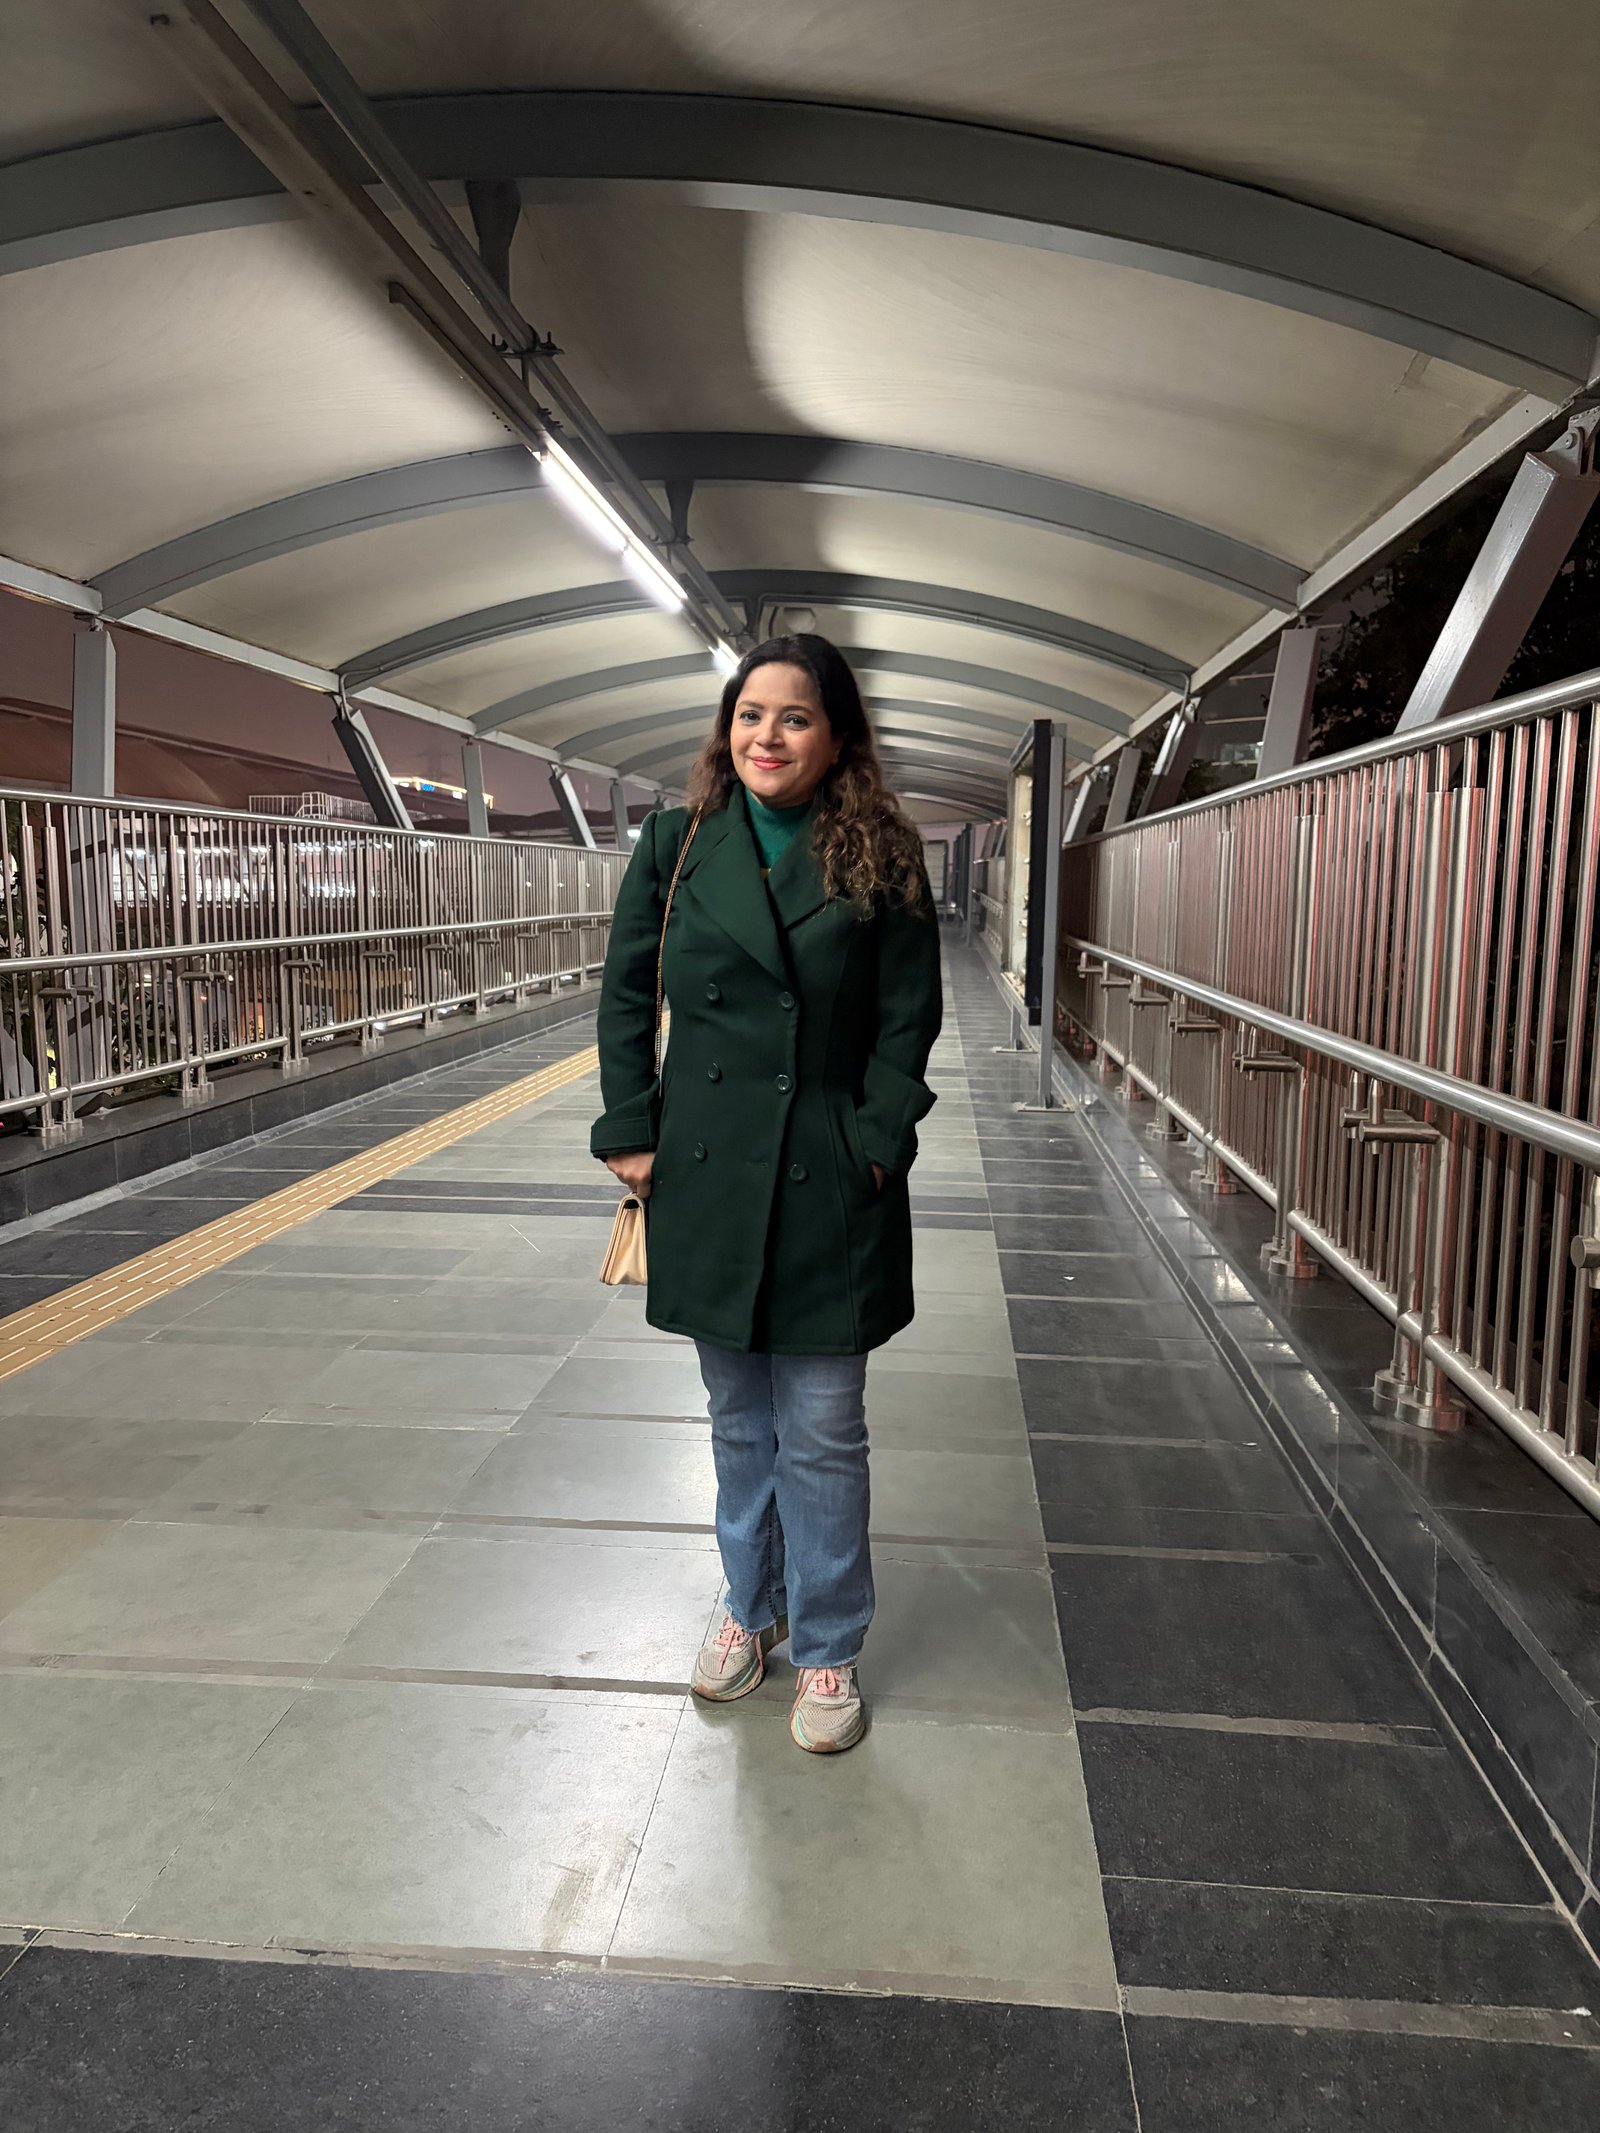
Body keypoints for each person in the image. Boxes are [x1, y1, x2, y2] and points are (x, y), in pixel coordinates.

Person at [591, 634, 943, 1753]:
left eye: (795, 717)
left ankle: (828, 1644)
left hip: (828, 1170)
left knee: (824, 1429)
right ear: (726, 728)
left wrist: (874, 1142)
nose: (767, 736)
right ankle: (752, 1605)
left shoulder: (882, 850)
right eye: (750, 714)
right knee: (739, 1421)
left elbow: (909, 1016)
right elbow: (624, 988)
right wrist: (629, 1126)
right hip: (704, 1166)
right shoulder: (676, 841)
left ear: (837, 737)